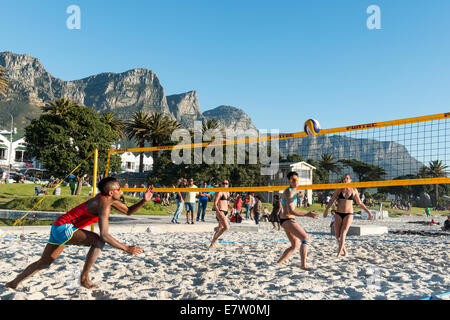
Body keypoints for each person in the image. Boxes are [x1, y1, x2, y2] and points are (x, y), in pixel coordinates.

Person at [5, 177, 153, 290]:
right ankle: (84, 279)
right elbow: (105, 235)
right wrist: (126, 248)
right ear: (111, 192)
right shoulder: (103, 204)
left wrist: (144, 201)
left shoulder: (107, 200)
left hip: (58, 227)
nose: (121, 190)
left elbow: (128, 211)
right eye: (119, 188)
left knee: (44, 262)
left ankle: (13, 283)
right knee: (99, 241)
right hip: (65, 228)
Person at [324, 173, 374, 257]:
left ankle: (338, 254)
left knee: (343, 233)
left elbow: (360, 203)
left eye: (347, 178)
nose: (345, 179)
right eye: (344, 178)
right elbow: (331, 200)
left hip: (349, 214)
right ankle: (345, 251)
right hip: (338, 213)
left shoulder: (354, 190)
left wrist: (369, 212)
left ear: (350, 180)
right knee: (337, 236)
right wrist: (326, 210)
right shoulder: (339, 189)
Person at [277, 171, 318, 270]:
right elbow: (291, 210)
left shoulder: (292, 192)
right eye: (293, 180)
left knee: (295, 245)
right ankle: (303, 265)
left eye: (296, 180)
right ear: (289, 181)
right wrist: (307, 214)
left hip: (286, 219)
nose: (295, 182)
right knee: (305, 238)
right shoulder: (289, 192)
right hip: (287, 219)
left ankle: (278, 263)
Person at [209, 179, 231, 249]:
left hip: (226, 211)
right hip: (220, 211)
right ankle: (215, 239)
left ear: (228, 185)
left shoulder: (228, 192)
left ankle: (212, 243)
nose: (225, 185)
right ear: (221, 184)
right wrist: (219, 212)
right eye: (223, 183)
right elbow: (215, 204)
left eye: (226, 183)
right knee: (226, 228)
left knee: (219, 228)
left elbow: (227, 203)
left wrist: (231, 208)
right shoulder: (220, 192)